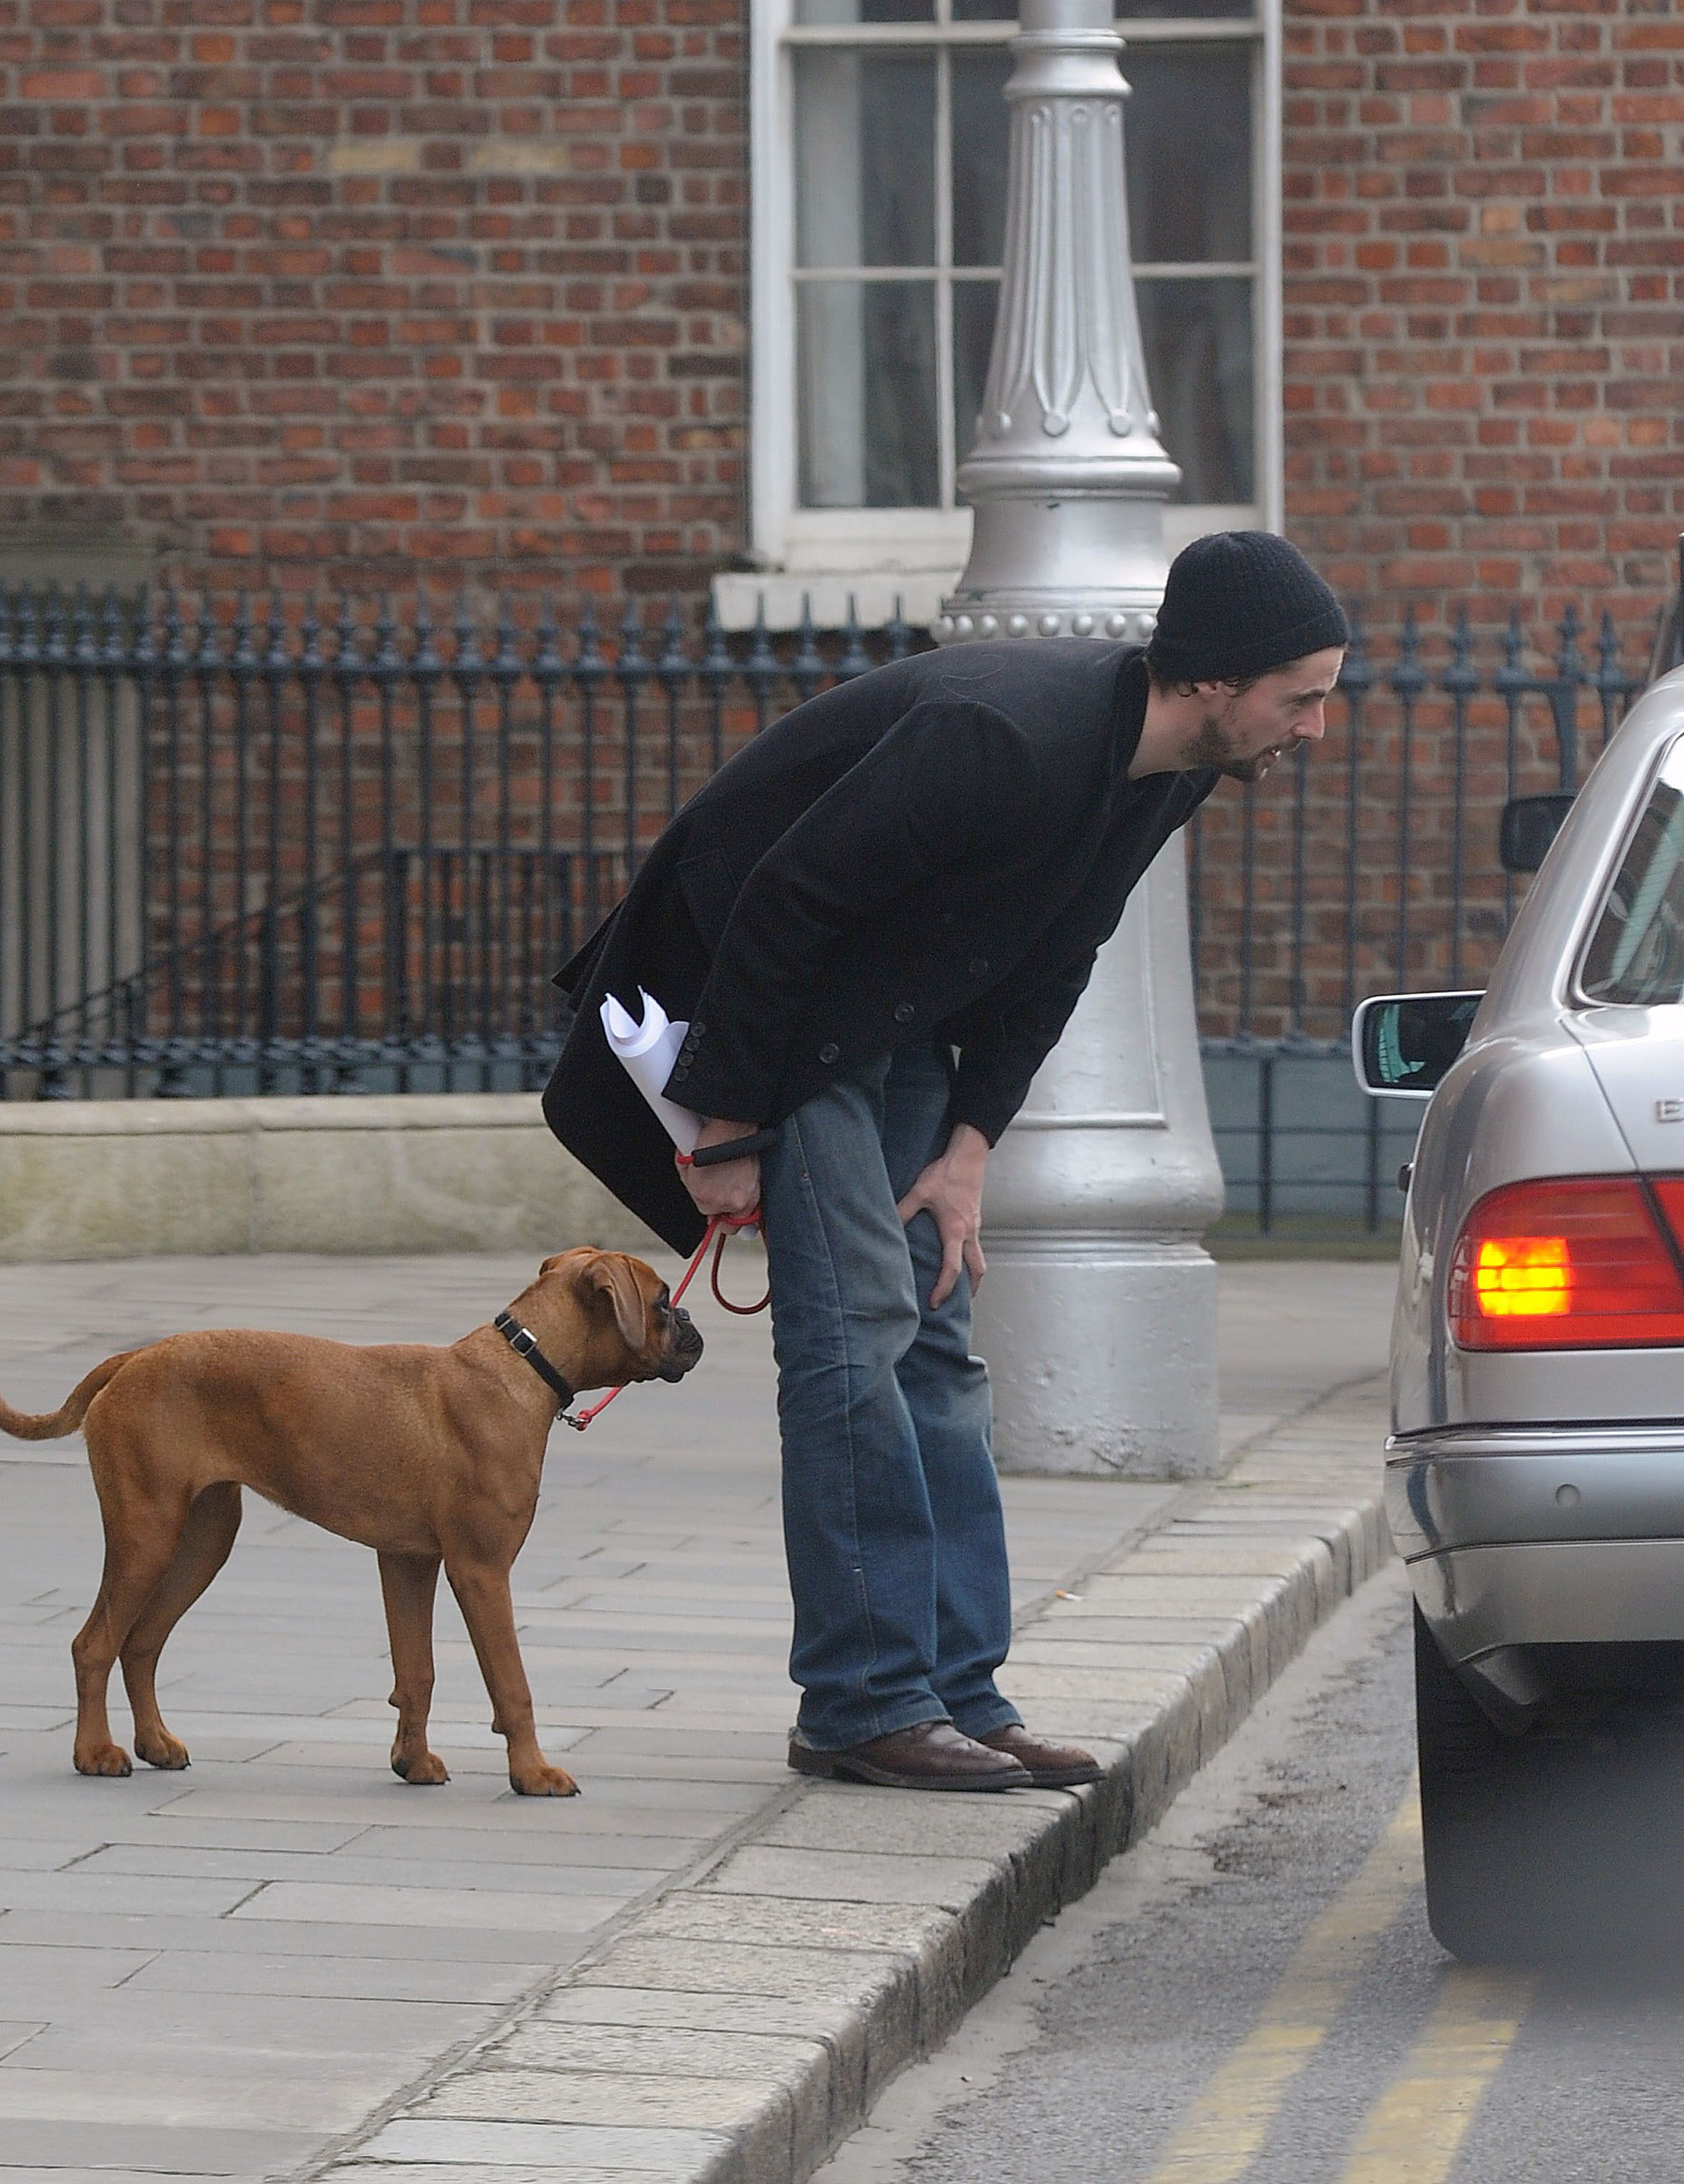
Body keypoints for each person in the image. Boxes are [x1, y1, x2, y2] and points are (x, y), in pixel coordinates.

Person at [542, 531, 1348, 1791]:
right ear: (1214, 681)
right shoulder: (1001, 737)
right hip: (772, 1016)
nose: (1316, 726)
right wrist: (730, 1126)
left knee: (934, 1326)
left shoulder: (1166, 769)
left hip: (888, 1015)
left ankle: (961, 1695)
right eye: (1302, 695)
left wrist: (971, 1143)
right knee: (853, 1334)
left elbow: (1056, 955)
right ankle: (861, 1704)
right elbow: (783, 900)